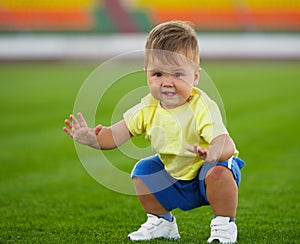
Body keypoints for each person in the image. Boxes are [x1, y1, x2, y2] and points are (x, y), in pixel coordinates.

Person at [64, 20, 245, 243]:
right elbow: (114, 135)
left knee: (220, 173)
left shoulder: (201, 106)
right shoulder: (146, 107)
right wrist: (91, 138)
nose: (167, 82)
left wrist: (213, 153)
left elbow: (226, 143)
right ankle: (162, 222)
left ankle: (224, 225)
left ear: (195, 77)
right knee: (143, 171)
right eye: (158, 74)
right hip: (175, 175)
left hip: (206, 171)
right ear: (147, 74)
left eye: (178, 74)